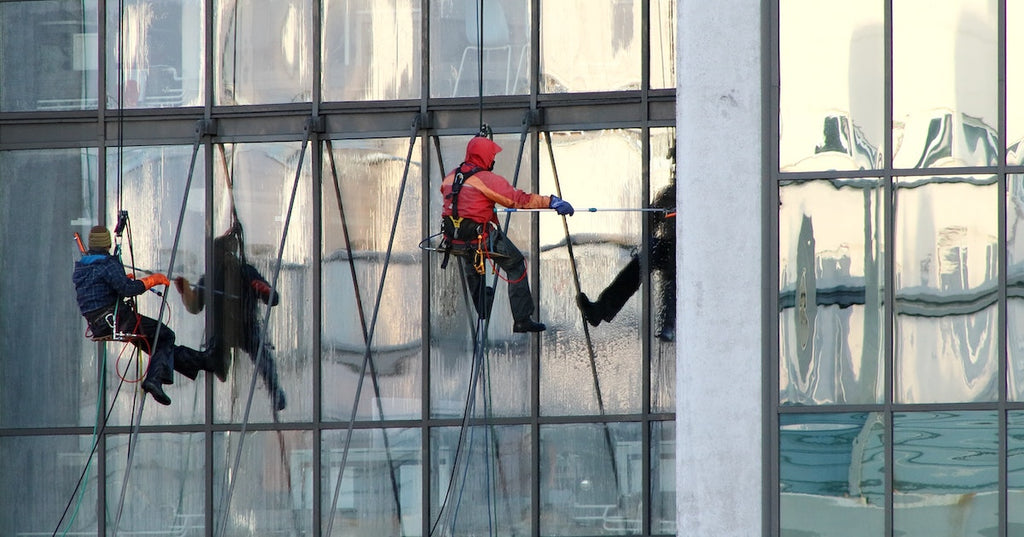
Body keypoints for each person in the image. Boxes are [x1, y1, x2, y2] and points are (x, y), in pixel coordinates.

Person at [73, 225, 224, 406]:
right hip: (119, 320)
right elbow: (128, 290)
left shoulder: (82, 267)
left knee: (159, 347)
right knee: (165, 335)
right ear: (107, 243)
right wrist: (152, 280)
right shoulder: (107, 264)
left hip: (101, 324)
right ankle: (155, 380)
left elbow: (101, 291)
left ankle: (206, 361)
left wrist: (121, 280)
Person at [440, 133, 575, 333]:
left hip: (454, 240)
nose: (493, 160)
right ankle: (522, 319)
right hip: (482, 238)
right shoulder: (485, 179)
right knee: (516, 264)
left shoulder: (451, 176)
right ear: (485, 156)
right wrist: (551, 202)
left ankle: (483, 307)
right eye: (492, 156)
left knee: (473, 265)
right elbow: (517, 199)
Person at [174, 224, 287, 411]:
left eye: (228, 254)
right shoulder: (210, 278)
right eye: (221, 254)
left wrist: (264, 290)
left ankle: (275, 391)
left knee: (262, 356)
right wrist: (185, 291)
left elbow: (273, 298)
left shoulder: (246, 272)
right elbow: (195, 306)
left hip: (246, 327)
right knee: (217, 352)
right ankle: (220, 365)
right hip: (222, 331)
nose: (225, 258)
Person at [576, 175, 676, 342]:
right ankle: (600, 311)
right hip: (672, 246)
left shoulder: (697, 190)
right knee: (643, 260)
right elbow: (651, 221)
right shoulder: (671, 193)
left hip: (690, 252)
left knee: (670, 269)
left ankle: (669, 324)